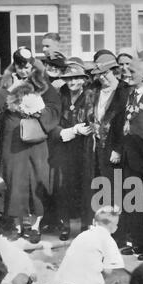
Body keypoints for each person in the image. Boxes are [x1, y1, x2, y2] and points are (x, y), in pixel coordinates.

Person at [0, 47, 61, 244]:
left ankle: (33, 226)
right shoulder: (4, 82)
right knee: (13, 178)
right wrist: (9, 90)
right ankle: (16, 225)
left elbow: (55, 109)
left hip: (36, 138)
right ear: (14, 66)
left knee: (37, 178)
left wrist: (39, 110)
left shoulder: (43, 84)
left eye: (27, 66)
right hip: (13, 138)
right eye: (19, 66)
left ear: (33, 66)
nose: (24, 70)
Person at [80, 52, 129, 234]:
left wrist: (118, 149)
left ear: (115, 71)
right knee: (97, 187)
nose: (102, 78)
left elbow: (125, 123)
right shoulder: (94, 91)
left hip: (114, 148)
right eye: (99, 75)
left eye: (106, 74)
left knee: (115, 189)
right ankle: (97, 228)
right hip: (95, 146)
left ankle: (118, 233)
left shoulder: (124, 91)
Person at [115, 58, 143, 259]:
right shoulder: (131, 93)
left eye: (132, 71)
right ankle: (139, 244)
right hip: (131, 157)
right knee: (135, 203)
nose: (127, 74)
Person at [48, 62, 90, 241]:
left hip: (84, 148)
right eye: (68, 78)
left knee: (84, 186)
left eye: (76, 78)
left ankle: (84, 226)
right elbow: (51, 121)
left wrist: (85, 129)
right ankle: (65, 225)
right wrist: (66, 132)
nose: (72, 82)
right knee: (63, 186)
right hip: (63, 147)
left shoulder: (90, 96)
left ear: (83, 79)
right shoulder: (59, 94)